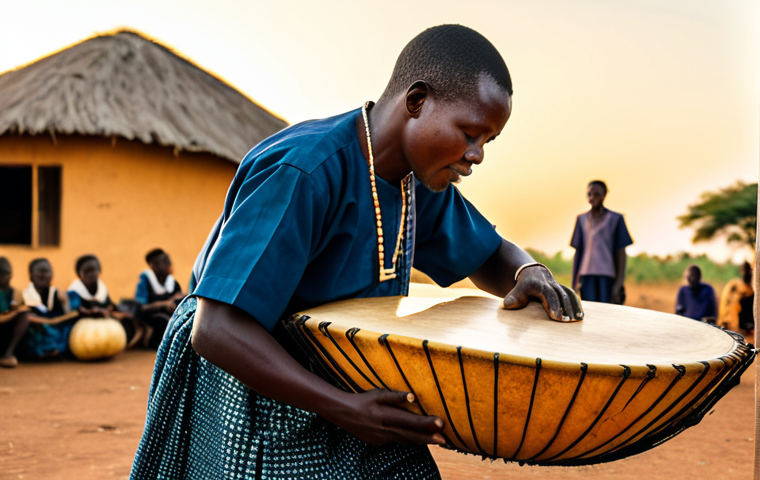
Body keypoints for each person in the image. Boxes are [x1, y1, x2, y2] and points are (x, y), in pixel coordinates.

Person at [131, 25, 583, 479]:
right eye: (469, 133)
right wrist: (343, 409)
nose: (477, 155)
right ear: (417, 101)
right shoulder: (304, 171)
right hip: (254, 376)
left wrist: (528, 270)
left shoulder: (418, 181)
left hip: (348, 379)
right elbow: (217, 330)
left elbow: (486, 254)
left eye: (487, 141)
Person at [570, 180, 633, 304]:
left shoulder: (616, 219)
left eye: (597, 194)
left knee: (607, 313)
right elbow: (578, 252)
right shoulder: (581, 219)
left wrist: (618, 284)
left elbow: (621, 253)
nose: (592, 198)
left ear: (604, 195)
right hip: (587, 275)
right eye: (589, 194)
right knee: (590, 313)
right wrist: (574, 284)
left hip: (607, 276)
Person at [17, 258, 76, 360]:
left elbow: (67, 318)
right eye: (40, 271)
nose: (43, 275)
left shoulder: (58, 295)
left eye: (46, 271)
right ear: (31, 275)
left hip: (55, 334)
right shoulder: (25, 296)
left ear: (52, 275)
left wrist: (65, 302)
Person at [133, 248, 183, 348]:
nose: (169, 264)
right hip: (151, 319)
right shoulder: (145, 282)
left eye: (168, 260)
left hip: (169, 316)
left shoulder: (173, 283)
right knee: (163, 321)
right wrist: (163, 304)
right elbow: (140, 308)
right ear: (154, 266)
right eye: (164, 261)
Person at [0, 257, 31, 368]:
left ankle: (8, 354)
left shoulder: (16, 293)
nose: (3, 277)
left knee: (26, 316)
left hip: (8, 330)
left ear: (10, 275)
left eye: (5, 274)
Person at [718, 261, 754, 334]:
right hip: (731, 327)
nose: (746, 273)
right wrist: (723, 321)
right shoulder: (734, 286)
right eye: (744, 271)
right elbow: (725, 305)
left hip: (748, 330)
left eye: (748, 271)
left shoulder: (753, 291)